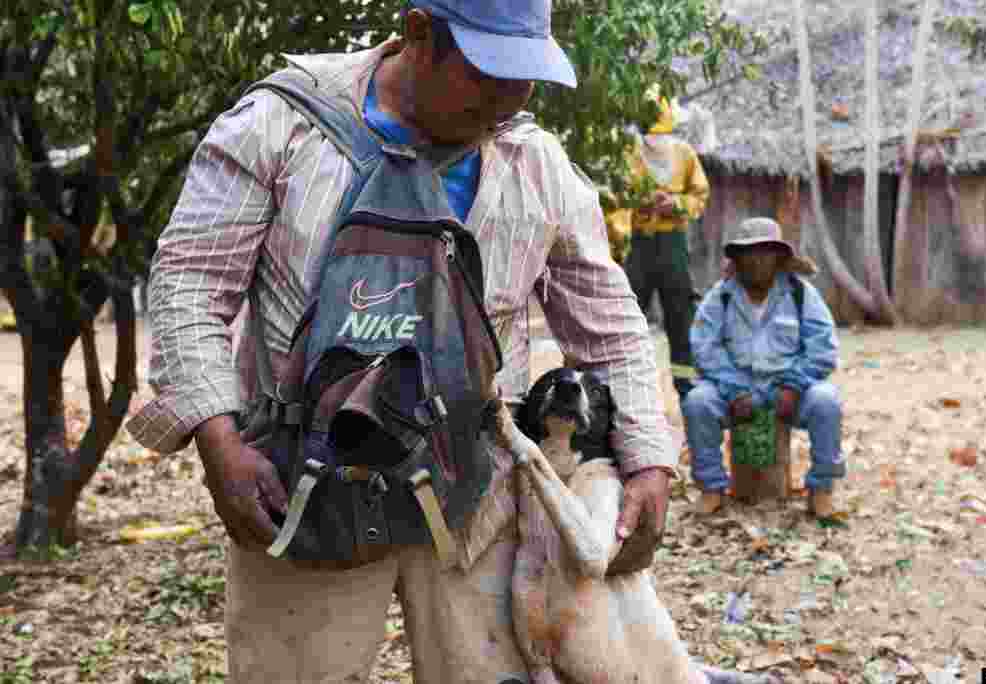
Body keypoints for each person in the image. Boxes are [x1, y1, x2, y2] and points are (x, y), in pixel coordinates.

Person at [126, 2, 675, 683]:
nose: (506, 102)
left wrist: (649, 458)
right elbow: (189, 286)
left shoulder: (531, 160)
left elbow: (606, 317)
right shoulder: (283, 124)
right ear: (418, 33)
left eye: (524, 77)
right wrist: (220, 445)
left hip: (476, 493)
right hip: (303, 491)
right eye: (488, 73)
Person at [683, 217, 844, 518]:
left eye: (765, 252)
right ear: (737, 259)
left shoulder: (801, 294)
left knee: (827, 401)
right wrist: (733, 389)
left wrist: (794, 385)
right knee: (698, 402)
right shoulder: (721, 296)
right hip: (734, 390)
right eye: (748, 253)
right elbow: (704, 348)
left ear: (779, 258)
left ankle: (821, 490)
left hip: (788, 389)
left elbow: (823, 348)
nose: (757, 261)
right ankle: (711, 489)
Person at [624, 95, 710, 405]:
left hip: (673, 242)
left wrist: (675, 203)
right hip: (640, 243)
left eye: (661, 136)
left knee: (680, 312)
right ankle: (626, 386)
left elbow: (700, 197)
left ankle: (686, 386)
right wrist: (642, 205)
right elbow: (617, 200)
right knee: (631, 312)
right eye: (651, 136)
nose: (655, 141)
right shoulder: (629, 153)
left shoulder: (685, 155)